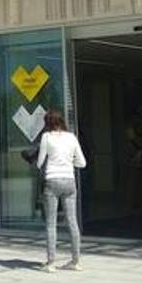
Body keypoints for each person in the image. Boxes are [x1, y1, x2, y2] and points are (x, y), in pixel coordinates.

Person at [36, 109, 87, 272]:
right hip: (69, 182)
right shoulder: (72, 137)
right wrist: (68, 162)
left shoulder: (46, 137)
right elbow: (82, 163)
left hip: (52, 181)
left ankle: (51, 263)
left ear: (48, 123)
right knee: (72, 221)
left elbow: (40, 162)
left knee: (51, 224)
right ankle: (75, 261)